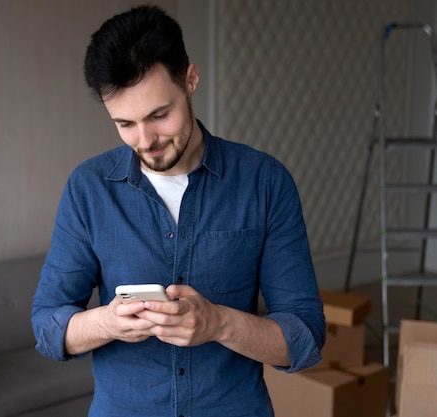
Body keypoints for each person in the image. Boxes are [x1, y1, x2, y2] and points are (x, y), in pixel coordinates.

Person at [31, 5, 325, 417]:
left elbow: (305, 337)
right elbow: (47, 328)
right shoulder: (88, 188)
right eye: (124, 123)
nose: (145, 140)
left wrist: (219, 324)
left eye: (159, 115)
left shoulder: (265, 182)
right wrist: (109, 323)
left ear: (190, 80)